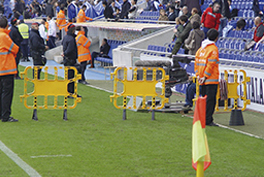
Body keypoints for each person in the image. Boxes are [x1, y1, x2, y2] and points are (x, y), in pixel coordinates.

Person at [194, 28, 219, 126]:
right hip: (210, 79)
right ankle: (208, 120)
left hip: (201, 79)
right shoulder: (213, 49)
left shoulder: (201, 49)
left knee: (202, 99)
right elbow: (211, 65)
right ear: (216, 38)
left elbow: (196, 63)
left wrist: (198, 76)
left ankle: (201, 118)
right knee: (210, 101)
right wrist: (205, 76)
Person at [0, 16, 19, 122]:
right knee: (7, 93)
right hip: (6, 69)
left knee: (1, 92)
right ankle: (5, 115)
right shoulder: (4, 36)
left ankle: (1, 114)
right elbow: (15, 49)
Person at [62, 24, 81, 98]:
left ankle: (68, 92)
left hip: (66, 60)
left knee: (68, 77)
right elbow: (70, 49)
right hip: (70, 60)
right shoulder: (71, 39)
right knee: (71, 77)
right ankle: (71, 92)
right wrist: (65, 53)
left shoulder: (66, 37)